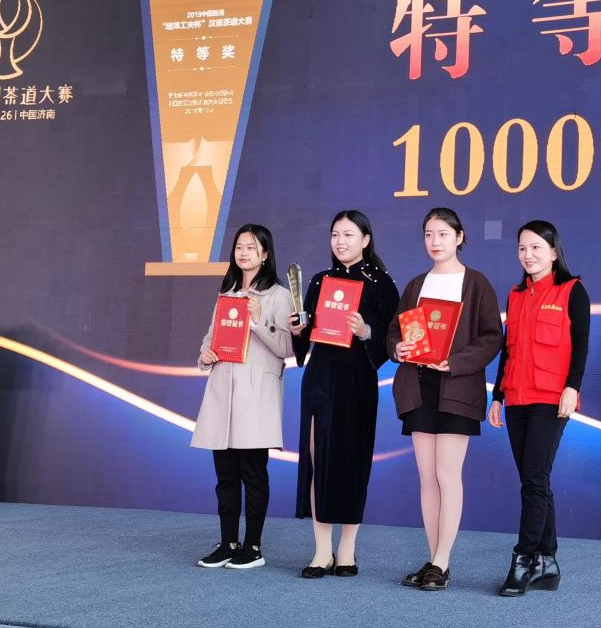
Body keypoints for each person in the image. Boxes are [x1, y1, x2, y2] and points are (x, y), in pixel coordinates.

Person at [387, 208, 503, 591]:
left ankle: (442, 560)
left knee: (447, 474)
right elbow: (394, 331)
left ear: (459, 237)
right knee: (426, 478)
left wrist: (455, 362)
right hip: (419, 387)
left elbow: (492, 337)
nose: (435, 241)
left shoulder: (476, 284)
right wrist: (398, 348)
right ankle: (434, 557)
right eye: (428, 234)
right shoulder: (416, 284)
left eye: (442, 234)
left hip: (457, 388)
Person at [290, 210, 399, 578]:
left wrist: (368, 331)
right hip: (320, 379)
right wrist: (298, 329)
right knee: (318, 460)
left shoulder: (382, 283)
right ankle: (321, 551)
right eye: (335, 234)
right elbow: (305, 335)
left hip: (357, 382)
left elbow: (393, 338)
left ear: (365, 240)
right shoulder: (319, 281)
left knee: (352, 462)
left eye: (349, 234)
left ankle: (347, 550)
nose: (340, 241)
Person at [488, 220, 590, 596]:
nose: (528, 255)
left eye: (535, 248)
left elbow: (581, 344)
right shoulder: (515, 295)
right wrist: (497, 396)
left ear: (553, 252)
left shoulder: (572, 290)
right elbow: (508, 349)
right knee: (535, 481)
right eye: (522, 248)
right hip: (517, 398)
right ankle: (547, 561)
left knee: (533, 478)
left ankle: (524, 559)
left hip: (551, 399)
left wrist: (571, 388)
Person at [191, 223, 295, 569]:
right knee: (225, 477)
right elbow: (210, 337)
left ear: (265, 255)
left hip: (256, 395)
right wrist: (205, 354)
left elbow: (287, 346)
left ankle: (253, 546)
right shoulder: (227, 293)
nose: (244, 252)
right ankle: (227, 542)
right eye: (239, 246)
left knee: (253, 473)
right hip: (223, 392)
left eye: (251, 247)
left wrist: (257, 321)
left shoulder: (279, 295)